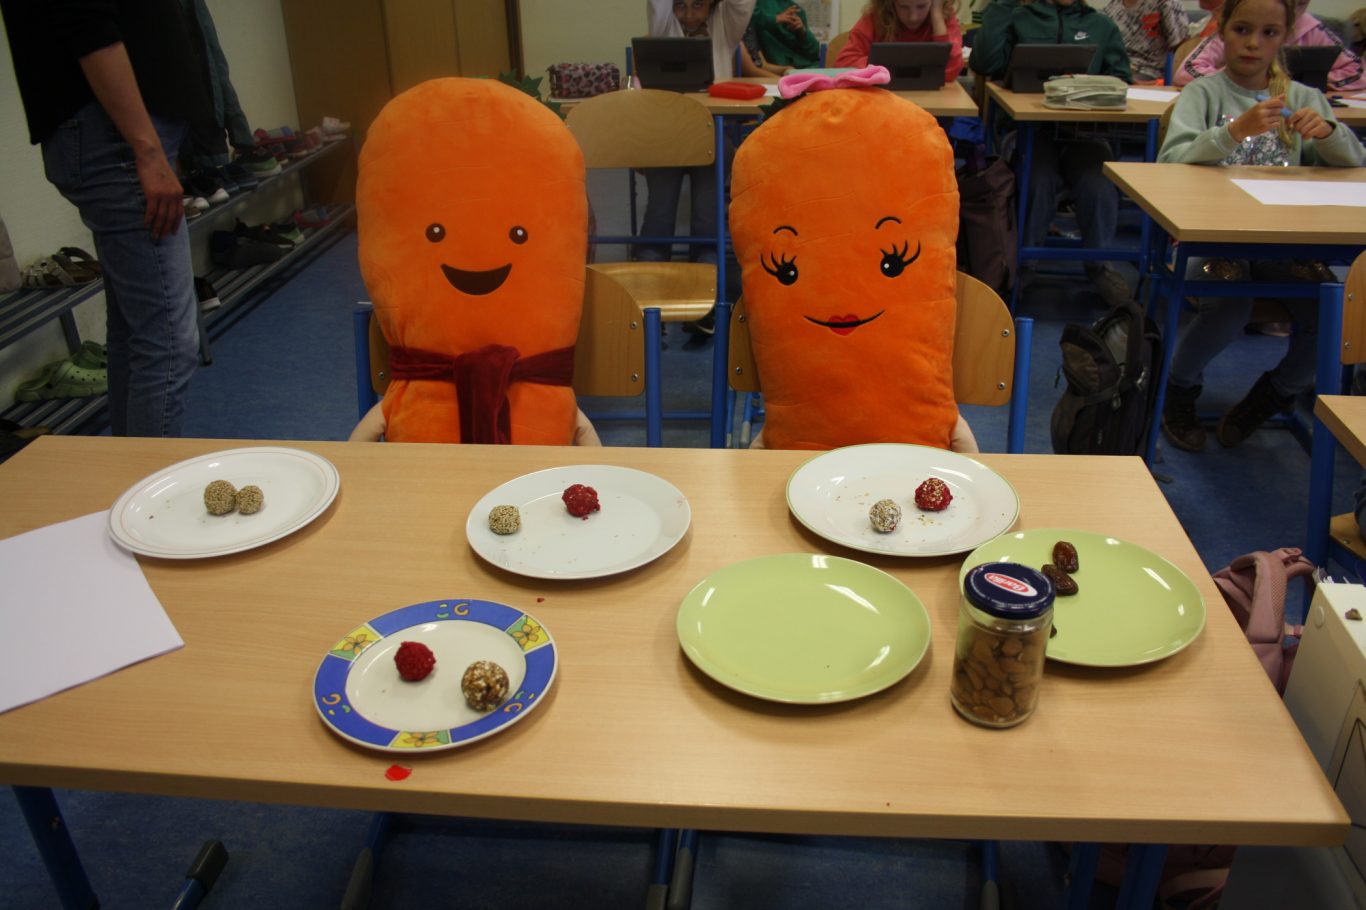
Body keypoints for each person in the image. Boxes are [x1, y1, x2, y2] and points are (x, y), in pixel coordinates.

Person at [1157, 0, 1365, 452]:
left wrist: (1328, 134)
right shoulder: (1203, 94)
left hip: (1283, 243)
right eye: (1242, 30)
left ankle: (1275, 393)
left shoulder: (1303, 97)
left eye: (1269, 33)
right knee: (1230, 307)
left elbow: (1355, 162)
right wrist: (1233, 132)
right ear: (1222, 31)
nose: (1253, 43)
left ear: (1286, 36)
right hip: (1209, 238)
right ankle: (1179, 387)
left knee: (1334, 314)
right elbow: (1170, 163)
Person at [0, 0, 205, 437]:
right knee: (169, 344)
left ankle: (128, 473)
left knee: (135, 335)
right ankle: (149, 484)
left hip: (113, 135)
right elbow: (84, 18)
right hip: (115, 137)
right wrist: (146, 147)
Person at [969, 0, 1135, 308]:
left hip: (1085, 133)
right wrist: (1003, 6)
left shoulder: (1101, 25)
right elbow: (985, 62)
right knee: (1037, 178)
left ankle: (1099, 265)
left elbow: (1121, 80)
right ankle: (1024, 264)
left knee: (1099, 183)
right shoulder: (1018, 17)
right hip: (1032, 131)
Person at [638, 0, 756, 330]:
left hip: (711, 134)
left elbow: (742, 4)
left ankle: (703, 301)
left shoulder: (725, 28)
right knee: (659, 216)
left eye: (698, 6)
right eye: (681, 6)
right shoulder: (664, 28)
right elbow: (658, 4)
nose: (689, 15)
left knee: (707, 219)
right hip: (666, 136)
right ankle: (650, 300)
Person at [1175, 0, 1366, 90]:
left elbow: (1358, 71)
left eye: (1301, 5)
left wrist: (1313, 82)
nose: (1254, 43)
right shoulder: (1240, 24)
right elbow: (1188, 71)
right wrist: (1242, 80)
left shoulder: (1314, 31)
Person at [834, 0, 966, 81]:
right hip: (884, 101)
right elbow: (843, 64)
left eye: (921, 6)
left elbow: (951, 71)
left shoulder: (943, 16)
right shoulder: (876, 16)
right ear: (890, 3)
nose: (913, 17)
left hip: (933, 105)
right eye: (903, 7)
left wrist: (937, 15)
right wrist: (890, 64)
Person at [1104, 0, 1191, 83]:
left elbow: (1184, 49)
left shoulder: (1166, 3)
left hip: (1150, 71)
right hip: (1118, 70)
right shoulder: (1111, 7)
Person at [749, 1, 821, 69]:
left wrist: (802, 32)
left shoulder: (796, 10)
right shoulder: (756, 6)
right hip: (778, 68)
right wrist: (776, 19)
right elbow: (749, 18)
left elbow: (815, 52)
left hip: (807, 66)